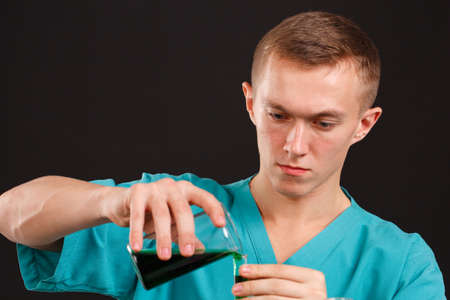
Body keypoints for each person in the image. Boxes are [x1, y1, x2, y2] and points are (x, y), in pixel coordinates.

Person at [0, 11, 446, 300]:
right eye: (278, 114)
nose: (294, 144)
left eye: (323, 123)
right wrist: (109, 204)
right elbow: (11, 214)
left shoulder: (400, 265)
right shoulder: (177, 220)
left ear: (363, 125)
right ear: (251, 103)